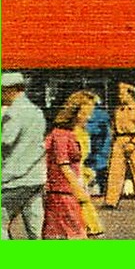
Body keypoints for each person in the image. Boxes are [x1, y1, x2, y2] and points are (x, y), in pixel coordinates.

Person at [43, 91, 95, 239]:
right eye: (86, 113)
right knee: (76, 235)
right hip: (62, 193)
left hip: (65, 192)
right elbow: (63, 164)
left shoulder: (68, 133)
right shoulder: (61, 134)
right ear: (75, 112)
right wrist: (79, 190)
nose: (89, 117)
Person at [1, 72, 47, 239]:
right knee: (35, 226)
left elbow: (5, 141)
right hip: (36, 176)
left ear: (10, 90)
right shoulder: (36, 111)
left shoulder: (14, 112)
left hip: (14, 178)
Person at [103, 81, 135, 210]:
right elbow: (113, 126)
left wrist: (133, 143)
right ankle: (111, 201)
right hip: (119, 140)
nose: (119, 96)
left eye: (122, 94)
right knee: (115, 171)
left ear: (130, 94)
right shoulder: (118, 110)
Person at [72, 94, 106, 237]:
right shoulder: (74, 133)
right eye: (85, 113)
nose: (89, 117)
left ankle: (90, 229)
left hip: (81, 172)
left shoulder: (82, 132)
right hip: (78, 174)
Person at [82, 95, 112, 200]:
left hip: (92, 144)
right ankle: (103, 189)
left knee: (89, 166)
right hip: (99, 145)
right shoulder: (103, 114)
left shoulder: (88, 113)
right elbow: (107, 131)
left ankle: (92, 188)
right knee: (100, 168)